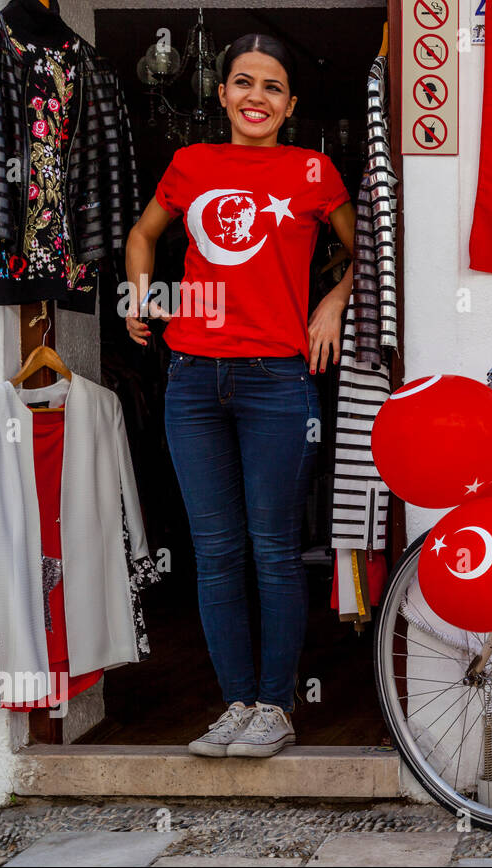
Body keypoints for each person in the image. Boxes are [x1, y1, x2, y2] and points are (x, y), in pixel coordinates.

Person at [124, 33, 356, 758]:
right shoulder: (191, 165)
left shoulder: (314, 172)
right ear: (222, 94)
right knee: (215, 552)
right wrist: (140, 294)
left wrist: (335, 300)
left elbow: (370, 247)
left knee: (274, 552)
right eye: (243, 82)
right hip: (192, 379)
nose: (257, 97)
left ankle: (278, 708)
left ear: (290, 106)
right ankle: (236, 704)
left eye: (273, 87)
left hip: (277, 383)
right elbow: (142, 234)